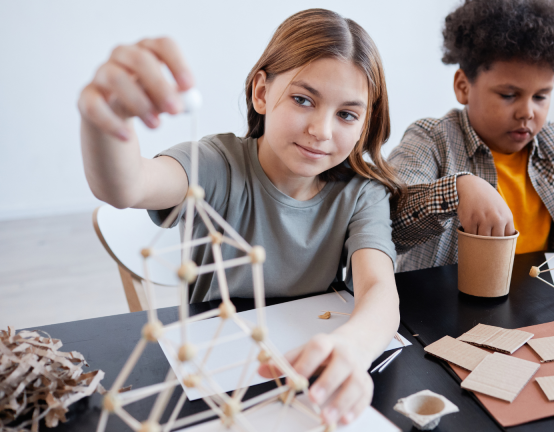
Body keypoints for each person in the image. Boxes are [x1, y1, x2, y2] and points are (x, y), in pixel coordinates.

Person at [78, 9, 401, 426]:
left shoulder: (362, 193)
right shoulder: (218, 165)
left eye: (346, 114)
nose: (322, 130)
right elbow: (128, 185)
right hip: (213, 376)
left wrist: (353, 348)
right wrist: (107, 119)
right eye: (304, 100)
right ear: (262, 92)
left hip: (304, 374)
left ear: (364, 123)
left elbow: (379, 289)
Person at [389, 0, 554, 272]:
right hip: (440, 306)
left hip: (535, 302)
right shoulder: (431, 139)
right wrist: (457, 191)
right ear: (463, 86)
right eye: (509, 95)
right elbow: (390, 226)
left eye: (541, 96)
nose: (527, 112)